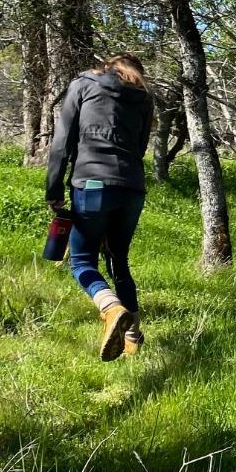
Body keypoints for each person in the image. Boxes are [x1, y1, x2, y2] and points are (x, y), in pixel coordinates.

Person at [46, 53, 154, 361]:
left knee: (81, 261)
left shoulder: (83, 84)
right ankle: (132, 340)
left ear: (108, 66)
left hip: (91, 184)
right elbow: (141, 146)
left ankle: (110, 307)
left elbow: (62, 142)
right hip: (132, 187)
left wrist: (54, 189)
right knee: (118, 257)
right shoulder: (143, 96)